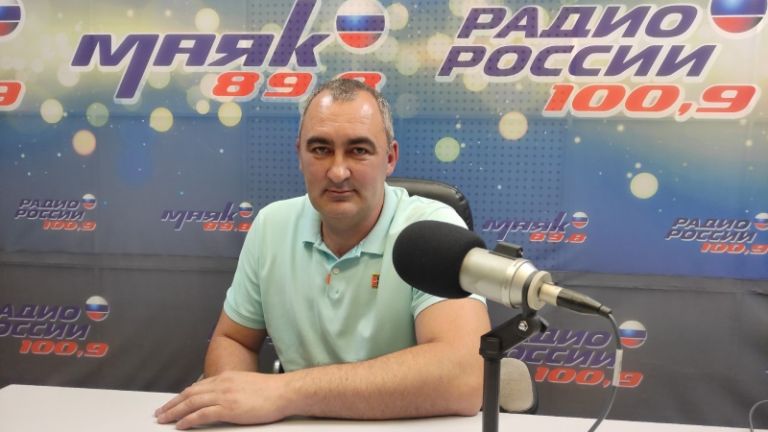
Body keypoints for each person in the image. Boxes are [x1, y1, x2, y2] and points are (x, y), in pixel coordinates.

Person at [155, 78, 491, 429]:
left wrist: (285, 393)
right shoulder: (271, 225)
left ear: (390, 158)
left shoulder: (431, 230)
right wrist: (236, 406)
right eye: (320, 149)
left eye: (358, 150)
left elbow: (464, 377)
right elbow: (233, 340)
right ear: (299, 155)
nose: (338, 171)